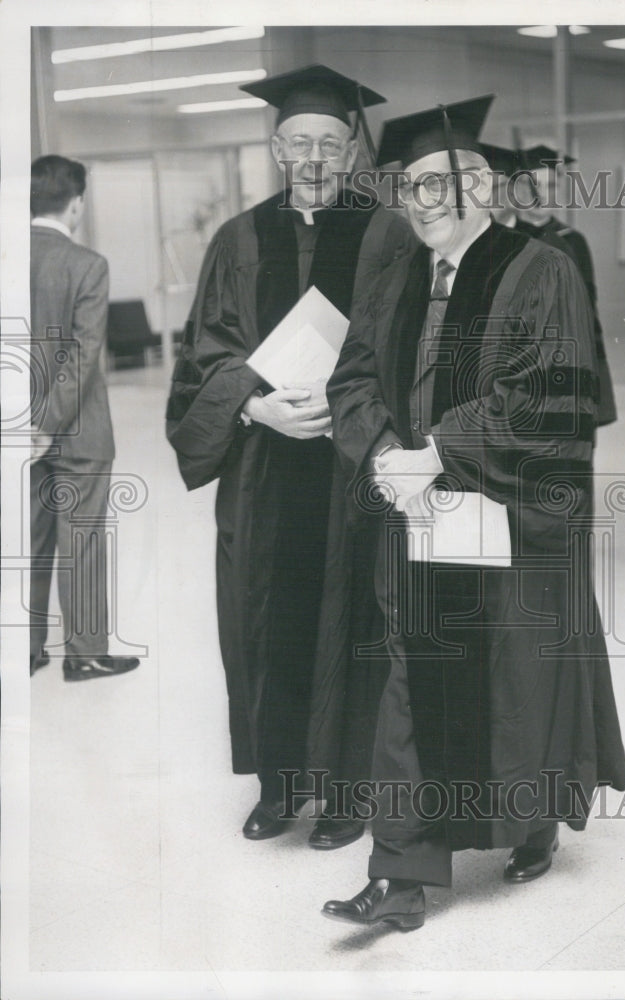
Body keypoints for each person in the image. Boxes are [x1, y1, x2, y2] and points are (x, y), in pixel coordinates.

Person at [322, 97, 625, 930]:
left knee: (516, 681)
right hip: (416, 514)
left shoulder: (540, 269)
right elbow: (351, 380)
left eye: (440, 185)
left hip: (514, 516)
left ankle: (532, 822)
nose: (422, 202)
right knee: (411, 677)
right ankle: (401, 875)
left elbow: (549, 396)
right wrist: (384, 453)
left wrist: (438, 452)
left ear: (484, 188)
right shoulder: (394, 279)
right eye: (410, 188)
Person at [165, 65, 414, 846]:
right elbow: (205, 351)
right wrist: (252, 403)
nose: (313, 158)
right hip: (261, 470)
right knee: (263, 620)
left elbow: (404, 348)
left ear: (352, 153)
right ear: (277, 149)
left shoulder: (388, 235)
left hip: (350, 468)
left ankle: (346, 794)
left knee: (354, 619)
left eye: (329, 144)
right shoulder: (239, 238)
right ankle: (279, 786)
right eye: (299, 142)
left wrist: (350, 408)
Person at [29, 155, 140, 681]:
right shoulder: (87, 264)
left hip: (15, 429)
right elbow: (81, 356)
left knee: (27, 540)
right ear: (76, 204)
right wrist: (49, 424)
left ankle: (26, 650)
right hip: (78, 431)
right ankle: (85, 654)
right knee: (82, 539)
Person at [507, 144, 616, 428]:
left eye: (551, 185)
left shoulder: (573, 242)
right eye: (533, 184)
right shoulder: (499, 241)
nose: (542, 194)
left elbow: (587, 318)